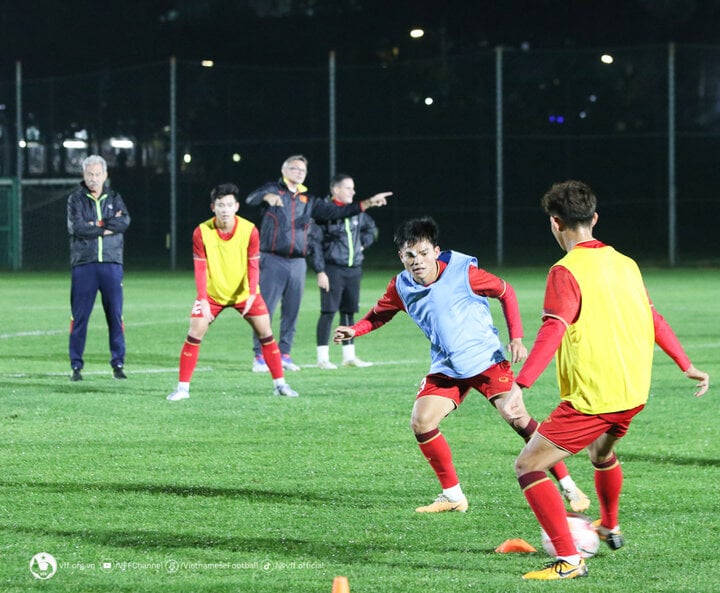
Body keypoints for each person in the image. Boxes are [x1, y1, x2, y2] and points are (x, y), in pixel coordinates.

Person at [505, 180, 710, 580]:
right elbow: (653, 316)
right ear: (594, 218)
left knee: (528, 465)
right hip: (633, 390)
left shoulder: (565, 271)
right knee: (601, 454)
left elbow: (553, 330)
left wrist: (521, 384)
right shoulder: (625, 262)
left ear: (555, 223)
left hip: (595, 398)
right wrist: (684, 363)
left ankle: (569, 560)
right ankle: (609, 526)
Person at [333, 216, 589, 514]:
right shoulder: (400, 286)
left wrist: (516, 338)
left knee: (517, 417)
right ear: (401, 257)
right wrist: (355, 330)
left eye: (424, 253)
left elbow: (506, 291)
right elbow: (379, 314)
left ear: (436, 251)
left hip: (486, 362)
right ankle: (453, 495)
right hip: (447, 367)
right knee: (422, 422)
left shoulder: (463, 273)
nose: (417, 261)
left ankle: (569, 485)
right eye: (410, 255)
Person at [245, 155, 390, 373]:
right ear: (284, 171)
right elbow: (250, 199)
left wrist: (367, 203)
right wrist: (266, 196)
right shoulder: (273, 190)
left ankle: (284, 355)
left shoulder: (308, 199)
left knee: (291, 312)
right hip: (272, 259)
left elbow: (337, 211)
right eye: (294, 169)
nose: (299, 173)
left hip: (298, 262)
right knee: (266, 310)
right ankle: (259, 357)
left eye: (302, 170)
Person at [167, 183, 298, 401]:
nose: (225, 209)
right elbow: (200, 267)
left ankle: (280, 385)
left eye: (229, 205)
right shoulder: (201, 232)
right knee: (194, 333)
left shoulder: (250, 230)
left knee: (266, 334)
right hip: (212, 294)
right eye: (220, 205)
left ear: (236, 206)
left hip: (245, 293)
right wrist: (203, 299)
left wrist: (253, 294)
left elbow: (253, 264)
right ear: (213, 207)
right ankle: (182, 389)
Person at [67, 155, 131, 381]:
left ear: (105, 175)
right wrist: (105, 225)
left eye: (97, 174)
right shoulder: (75, 199)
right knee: (80, 316)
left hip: (112, 264)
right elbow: (78, 228)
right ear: (83, 176)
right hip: (84, 265)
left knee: (115, 315)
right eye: (89, 174)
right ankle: (76, 366)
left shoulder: (115, 198)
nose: (93, 179)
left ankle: (118, 364)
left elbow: (124, 222)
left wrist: (96, 224)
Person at [310, 174, 379, 369]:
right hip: (333, 268)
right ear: (335, 190)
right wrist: (320, 271)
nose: (353, 192)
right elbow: (314, 244)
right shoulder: (325, 213)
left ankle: (349, 356)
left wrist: (363, 245)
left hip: (354, 269)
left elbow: (371, 229)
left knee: (348, 312)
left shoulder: (357, 213)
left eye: (353, 188)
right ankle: (322, 358)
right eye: (348, 188)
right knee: (328, 312)